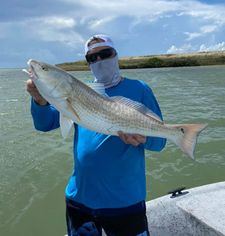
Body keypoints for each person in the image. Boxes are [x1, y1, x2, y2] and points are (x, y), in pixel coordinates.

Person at [26, 35, 166, 236]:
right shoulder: (77, 91)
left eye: (105, 54)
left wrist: (145, 139)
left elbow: (159, 142)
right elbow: (44, 124)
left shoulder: (140, 89)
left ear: (116, 55)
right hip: (79, 199)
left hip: (124, 200)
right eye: (92, 58)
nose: (99, 61)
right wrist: (39, 101)